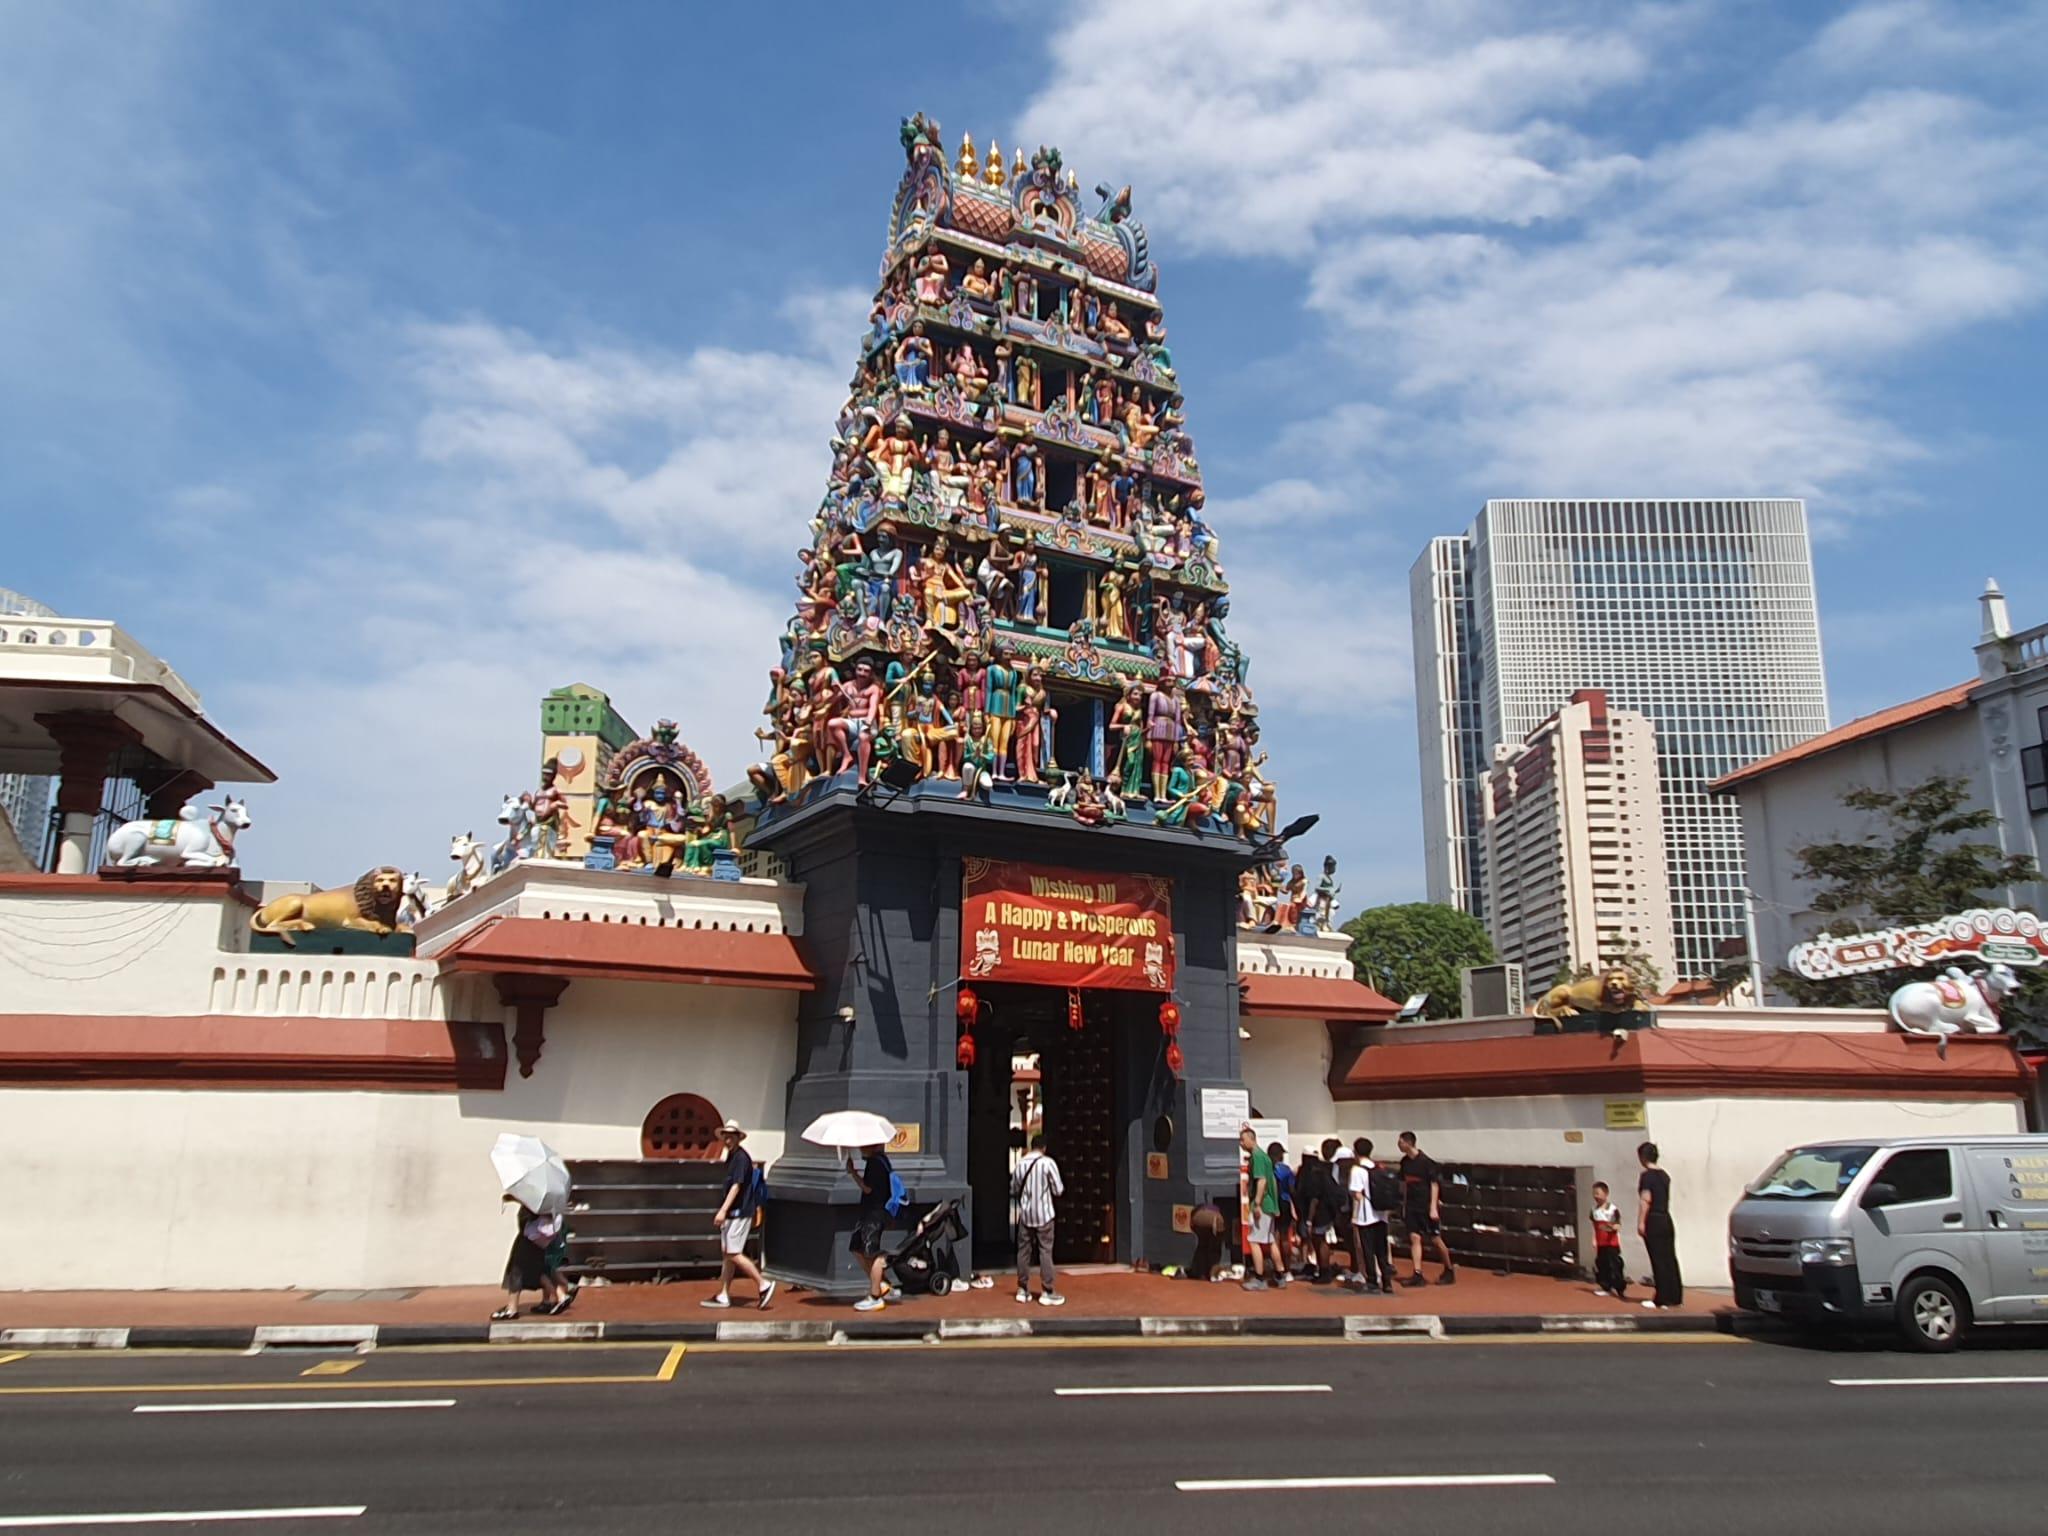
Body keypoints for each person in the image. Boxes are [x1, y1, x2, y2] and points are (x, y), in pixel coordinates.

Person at [703, 1119, 776, 1311]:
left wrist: (723, 1210)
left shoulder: (741, 1159)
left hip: (738, 1212)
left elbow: (736, 1186)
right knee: (728, 1254)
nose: (727, 1140)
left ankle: (763, 1284)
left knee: (733, 1252)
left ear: (738, 1138)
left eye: (731, 1137)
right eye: (725, 1137)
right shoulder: (733, 1157)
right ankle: (724, 1294)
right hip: (734, 1213)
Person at [493, 1197, 570, 1321]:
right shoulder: (552, 1195)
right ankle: (558, 1296)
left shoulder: (539, 1196)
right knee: (540, 1269)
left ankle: (512, 1308)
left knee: (516, 1270)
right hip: (540, 1239)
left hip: (529, 1238)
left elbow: (535, 1207)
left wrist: (517, 1199)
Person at [1397, 1131, 1457, 1287]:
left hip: (1426, 1205)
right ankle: (1417, 1273)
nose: (1399, 1144)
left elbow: (1434, 1184)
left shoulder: (1426, 1162)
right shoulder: (1404, 1163)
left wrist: (1433, 1208)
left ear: (1409, 1143)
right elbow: (1404, 1184)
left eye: (1401, 1142)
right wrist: (1404, 1205)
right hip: (1412, 1206)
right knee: (1414, 1238)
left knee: (1436, 1239)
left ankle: (1448, 1269)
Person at [1011, 1134, 1065, 1306]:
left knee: (1024, 1251)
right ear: (1044, 1148)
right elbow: (1058, 1189)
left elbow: (1014, 1188)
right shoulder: (1048, 1163)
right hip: (1044, 1215)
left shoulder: (1021, 1163)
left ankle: (1022, 1288)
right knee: (1045, 1251)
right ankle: (1047, 1290)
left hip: (1026, 1215)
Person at [846, 1142, 896, 1311]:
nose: (859, 1149)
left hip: (874, 1214)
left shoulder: (875, 1163)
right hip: (870, 1213)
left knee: (873, 1254)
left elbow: (868, 1189)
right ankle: (882, 1283)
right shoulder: (882, 1161)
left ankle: (875, 1297)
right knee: (856, 1247)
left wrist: (853, 1173)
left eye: (862, 1146)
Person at [1238, 1123, 1288, 1290]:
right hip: (1269, 1205)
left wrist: (1257, 1203)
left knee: (1254, 1240)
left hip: (1262, 1205)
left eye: (1243, 1139)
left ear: (1252, 1139)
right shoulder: (1264, 1157)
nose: (1241, 1143)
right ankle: (1280, 1274)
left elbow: (1262, 1181)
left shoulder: (1258, 1157)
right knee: (1270, 1239)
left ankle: (1259, 1278)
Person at [1637, 1142, 1683, 1309]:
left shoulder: (1647, 1176)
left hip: (1653, 1219)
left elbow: (1646, 1199)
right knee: (1669, 1257)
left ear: (1642, 1157)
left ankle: (1661, 1297)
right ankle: (1675, 1295)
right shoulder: (1665, 1176)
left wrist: (1641, 1221)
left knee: (1657, 1259)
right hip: (1665, 1217)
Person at [1348, 1136, 1394, 1295]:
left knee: (1368, 1249)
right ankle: (1387, 1281)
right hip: (1381, 1214)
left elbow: (1357, 1194)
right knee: (1381, 1249)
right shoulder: (1379, 1168)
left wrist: (1354, 1215)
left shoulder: (1357, 1170)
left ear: (1356, 1151)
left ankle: (1372, 1281)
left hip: (1366, 1216)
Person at [1590, 1180, 1627, 1300]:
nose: (1596, 1196)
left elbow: (1618, 1225)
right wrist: (1594, 1239)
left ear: (1606, 1194)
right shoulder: (1594, 1211)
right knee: (1602, 1264)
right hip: (1601, 1244)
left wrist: (1610, 1227)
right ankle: (1605, 1286)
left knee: (1615, 1265)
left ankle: (1620, 1288)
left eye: (1598, 1193)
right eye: (1594, 1193)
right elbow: (1594, 1227)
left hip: (1612, 1243)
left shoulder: (1613, 1210)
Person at [1268, 1142, 1298, 1275]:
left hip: (1270, 1203)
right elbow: (1292, 1189)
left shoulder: (1267, 1168)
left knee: (1272, 1236)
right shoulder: (1286, 1169)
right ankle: (1287, 1269)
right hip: (1285, 1202)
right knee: (1285, 1236)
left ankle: (1276, 1266)